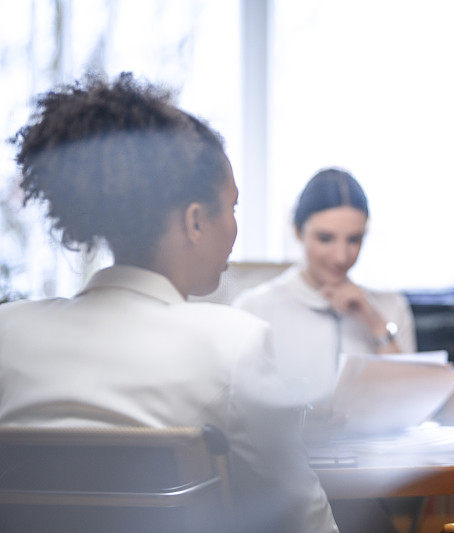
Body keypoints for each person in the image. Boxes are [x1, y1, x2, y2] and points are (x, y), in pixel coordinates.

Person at [0, 73, 338, 533]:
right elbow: (303, 520)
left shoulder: (8, 332)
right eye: (232, 208)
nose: (234, 227)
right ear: (196, 222)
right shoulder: (233, 343)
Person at [233, 168, 416, 404]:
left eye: (354, 240)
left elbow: (410, 402)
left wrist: (375, 324)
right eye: (325, 239)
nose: (341, 257)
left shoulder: (390, 307)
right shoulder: (255, 309)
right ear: (298, 232)